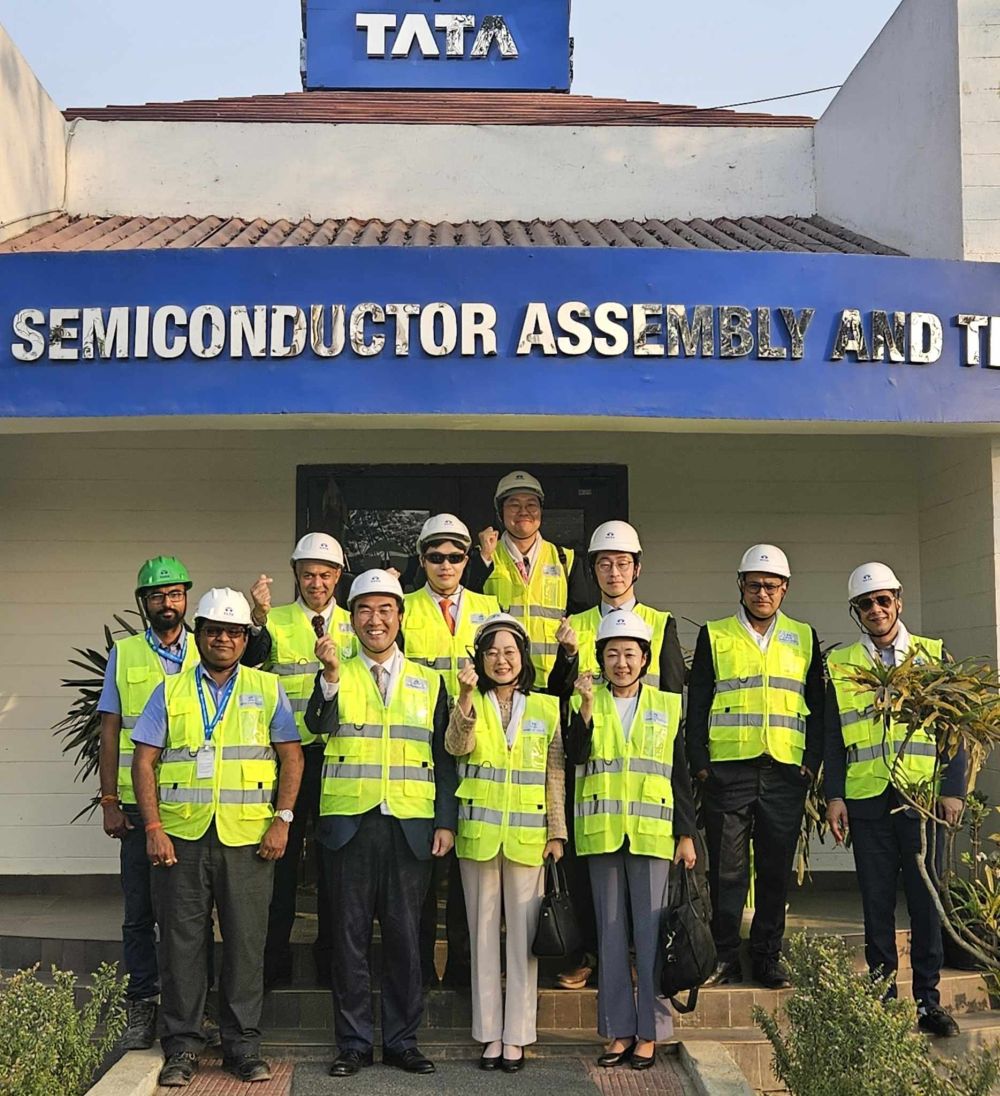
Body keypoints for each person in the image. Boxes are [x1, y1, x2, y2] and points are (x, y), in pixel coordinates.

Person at [131, 588, 304, 1087]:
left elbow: (292, 757)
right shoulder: (169, 691)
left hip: (249, 842)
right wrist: (153, 828)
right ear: (199, 634)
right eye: (213, 631)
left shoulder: (267, 689)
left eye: (233, 632)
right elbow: (143, 761)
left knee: (246, 945)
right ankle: (183, 1047)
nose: (223, 639)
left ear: (246, 639)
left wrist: (283, 820)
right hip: (181, 838)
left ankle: (242, 1046)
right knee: (181, 946)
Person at [305, 569, 458, 1077]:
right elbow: (316, 726)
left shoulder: (429, 681)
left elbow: (444, 756)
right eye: (365, 610)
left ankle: (401, 1041)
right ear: (351, 619)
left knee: (406, 940)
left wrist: (445, 821)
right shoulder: (335, 671)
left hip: (410, 826)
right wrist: (329, 677)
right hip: (349, 826)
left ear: (401, 616)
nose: (376, 620)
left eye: (385, 609)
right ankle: (352, 1043)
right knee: (348, 939)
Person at [97, 556, 254, 1050]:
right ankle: (144, 1003)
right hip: (140, 806)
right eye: (157, 596)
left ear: (187, 600)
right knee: (140, 912)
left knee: (192, 915)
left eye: (175, 594)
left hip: (194, 810)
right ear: (143, 602)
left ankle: (194, 1006)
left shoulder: (209, 647)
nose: (167, 603)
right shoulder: (124, 654)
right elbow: (109, 730)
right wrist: (108, 798)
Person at [825, 562, 964, 1037]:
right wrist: (834, 796)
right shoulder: (841, 664)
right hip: (867, 800)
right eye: (866, 603)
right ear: (856, 611)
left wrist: (952, 789)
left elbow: (953, 727)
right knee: (877, 903)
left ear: (898, 601)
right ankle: (882, 1002)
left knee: (926, 901)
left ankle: (928, 1001)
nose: (876, 609)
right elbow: (832, 737)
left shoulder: (931, 655)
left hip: (921, 800)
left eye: (883, 600)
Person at [550, 520, 685, 990]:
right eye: (604, 564)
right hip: (594, 770)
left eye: (622, 563)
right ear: (593, 570)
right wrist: (569, 657)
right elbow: (557, 697)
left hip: (648, 772)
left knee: (643, 888)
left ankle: (635, 959)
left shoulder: (660, 624)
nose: (613, 572)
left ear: (637, 568)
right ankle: (591, 955)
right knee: (592, 875)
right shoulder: (577, 624)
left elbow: (674, 698)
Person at [686, 544, 824, 989]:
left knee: (774, 870)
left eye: (771, 586)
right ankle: (725, 956)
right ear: (741, 586)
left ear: (785, 589)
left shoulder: (804, 636)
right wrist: (701, 764)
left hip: (785, 771)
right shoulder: (716, 634)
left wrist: (809, 765)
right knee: (726, 872)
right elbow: (699, 701)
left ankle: (767, 957)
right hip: (728, 772)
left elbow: (817, 707)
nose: (762, 593)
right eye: (754, 585)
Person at [564, 610, 697, 1070]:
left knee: (651, 934)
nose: (621, 663)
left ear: (644, 658)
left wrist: (686, 834)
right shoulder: (585, 699)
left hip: (652, 833)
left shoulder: (666, 704)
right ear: (601, 659)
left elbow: (679, 774)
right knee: (611, 934)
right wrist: (584, 708)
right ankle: (619, 1030)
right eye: (612, 654)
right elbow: (574, 757)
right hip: (602, 832)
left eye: (630, 654)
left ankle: (651, 1032)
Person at [445, 613, 566, 1072]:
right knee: (482, 938)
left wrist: (557, 833)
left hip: (528, 837)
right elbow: (456, 747)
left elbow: (554, 775)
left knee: (522, 941)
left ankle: (517, 1035)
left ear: (523, 657)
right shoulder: (468, 701)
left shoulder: (547, 707)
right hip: (478, 835)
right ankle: (489, 1034)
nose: (501, 660)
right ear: (480, 659)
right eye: (492, 652)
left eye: (509, 652)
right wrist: (464, 698)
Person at [250, 532, 358, 989]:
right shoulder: (273, 621)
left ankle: (329, 963)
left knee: (334, 865)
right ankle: (273, 963)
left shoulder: (357, 622)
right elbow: (250, 664)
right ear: (296, 574)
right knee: (281, 862)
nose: (317, 583)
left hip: (339, 757)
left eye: (325, 575)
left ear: (338, 577)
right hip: (288, 759)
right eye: (309, 574)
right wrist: (257, 620)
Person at [403, 514, 500, 989]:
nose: (446, 565)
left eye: (455, 556)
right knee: (424, 861)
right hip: (420, 738)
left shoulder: (490, 607)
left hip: (475, 737)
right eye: (436, 556)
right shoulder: (402, 608)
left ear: (467, 560)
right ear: (422, 560)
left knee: (468, 860)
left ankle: (463, 968)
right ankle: (420, 968)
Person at [465, 470, 593, 685]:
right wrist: (482, 560)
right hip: (499, 682)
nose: (523, 512)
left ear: (541, 511)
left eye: (531, 505)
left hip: (551, 683)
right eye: (514, 505)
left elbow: (581, 624)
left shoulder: (566, 559)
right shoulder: (483, 558)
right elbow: (467, 608)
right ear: (500, 512)